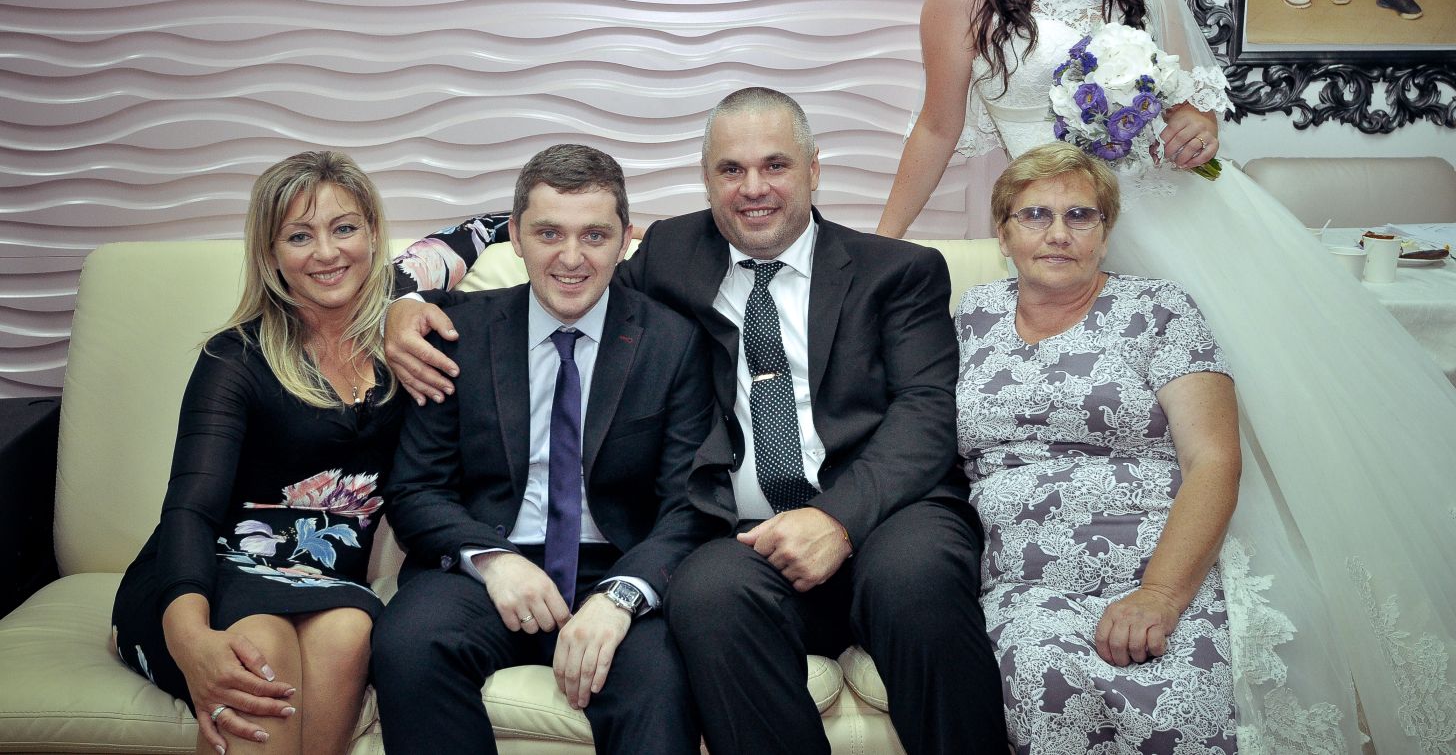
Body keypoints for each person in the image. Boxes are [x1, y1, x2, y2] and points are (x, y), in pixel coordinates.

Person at [877, 0, 1456, 753]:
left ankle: (1269, 630)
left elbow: (1188, 106)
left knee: (1276, 419)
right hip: (1074, 229)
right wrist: (876, 250)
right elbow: (936, 126)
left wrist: (1198, 126)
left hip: (1190, 222)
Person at [386, 88, 1010, 755]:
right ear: (706, 179)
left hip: (886, 515)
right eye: (731, 170)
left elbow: (924, 415)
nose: (753, 188)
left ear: (813, 170)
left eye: (775, 165)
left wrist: (835, 520)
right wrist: (403, 303)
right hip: (745, 535)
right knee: (707, 594)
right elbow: (566, 271)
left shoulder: (898, 272)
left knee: (913, 579)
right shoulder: (668, 254)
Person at [369, 144, 717, 755]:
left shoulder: (673, 342)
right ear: (515, 236)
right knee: (408, 645)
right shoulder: (456, 334)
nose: (572, 258)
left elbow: (688, 505)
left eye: (595, 235)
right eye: (549, 233)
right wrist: (492, 561)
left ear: (624, 241)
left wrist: (623, 596)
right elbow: (416, 489)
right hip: (484, 566)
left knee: (662, 682)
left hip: (615, 568)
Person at [111, 151, 406, 755]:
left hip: (322, 583)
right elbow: (190, 510)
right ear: (270, 254)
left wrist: (414, 301)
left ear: (374, 234)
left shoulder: (403, 345)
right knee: (260, 646)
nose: (326, 253)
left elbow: (489, 231)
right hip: (209, 572)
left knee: (351, 631)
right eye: (299, 236)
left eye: (344, 228)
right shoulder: (234, 358)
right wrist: (189, 639)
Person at [959, 143, 1240, 753]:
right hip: (1024, 581)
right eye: (1034, 215)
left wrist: (1160, 595)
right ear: (1002, 234)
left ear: (1105, 235)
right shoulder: (972, 316)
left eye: (1080, 216)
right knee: (1041, 674)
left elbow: (1214, 459)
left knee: (1181, 701)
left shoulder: (1160, 309)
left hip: (1156, 565)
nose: (1058, 233)